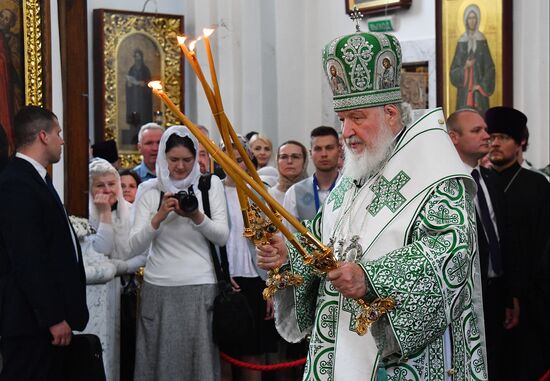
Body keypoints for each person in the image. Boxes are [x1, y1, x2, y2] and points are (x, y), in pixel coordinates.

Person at [257, 31, 487, 380]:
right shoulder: (352, 180)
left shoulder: (437, 176)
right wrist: (288, 255)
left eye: (358, 117)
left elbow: (451, 253)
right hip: (337, 351)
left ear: (391, 114)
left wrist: (372, 279)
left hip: (402, 360)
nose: (346, 132)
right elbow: (321, 244)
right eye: (342, 119)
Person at [130, 125, 229, 381]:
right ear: (163, 157)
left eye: (187, 160)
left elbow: (222, 235)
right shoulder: (149, 190)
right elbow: (134, 245)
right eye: (174, 160)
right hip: (159, 287)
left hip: (200, 286)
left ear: (197, 157)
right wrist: (160, 216)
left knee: (201, 364)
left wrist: (196, 215)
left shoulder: (209, 185)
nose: (181, 167)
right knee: (157, 362)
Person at [0, 106, 89, 380]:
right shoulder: (16, 183)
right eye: (58, 133)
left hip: (42, 324)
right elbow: (29, 258)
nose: (62, 140)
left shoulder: (35, 178)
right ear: (42, 136)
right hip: (31, 324)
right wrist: (52, 317)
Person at [447, 108, 519, 380]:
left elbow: (500, 239)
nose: (487, 136)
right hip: (463, 299)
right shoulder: (446, 185)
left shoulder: (490, 180)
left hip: (496, 294)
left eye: (485, 130)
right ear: (453, 137)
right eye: (477, 131)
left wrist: (510, 293)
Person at [486, 106, 550, 380]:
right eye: (491, 137)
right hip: (491, 299)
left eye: (502, 137)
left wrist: (527, 294)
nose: (495, 143)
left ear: (520, 141)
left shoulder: (538, 186)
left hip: (531, 300)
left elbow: (544, 247)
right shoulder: (480, 183)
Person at [220, 138, 277, 381]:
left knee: (252, 353)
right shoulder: (212, 190)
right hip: (226, 278)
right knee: (223, 352)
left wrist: (271, 286)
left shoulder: (258, 193)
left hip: (255, 277)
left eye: (241, 159)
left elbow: (270, 240)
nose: (235, 164)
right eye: (229, 158)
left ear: (249, 161)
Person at [284, 126, 341, 232]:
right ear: (310, 153)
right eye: (318, 149)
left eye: (329, 148)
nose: (324, 154)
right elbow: (290, 237)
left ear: (339, 150)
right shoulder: (294, 193)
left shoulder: (351, 187)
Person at [450, 4, 495, 114]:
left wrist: (480, 86)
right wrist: (465, 67)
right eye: (469, 18)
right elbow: (453, 72)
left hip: (479, 95)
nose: (472, 21)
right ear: (465, 20)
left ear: (478, 19)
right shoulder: (461, 42)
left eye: (474, 17)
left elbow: (490, 69)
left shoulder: (482, 41)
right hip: (464, 95)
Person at [268, 140, 308, 205]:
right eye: (284, 157)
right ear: (277, 162)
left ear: (304, 162)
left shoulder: (314, 190)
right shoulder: (270, 194)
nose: (289, 161)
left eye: (295, 157)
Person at [126, 48, 153, 130]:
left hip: (143, 98)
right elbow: (128, 82)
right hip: (134, 97)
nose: (137, 59)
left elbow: (149, 83)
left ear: (141, 58)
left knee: (144, 114)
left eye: (138, 57)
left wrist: (144, 84)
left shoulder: (145, 70)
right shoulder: (131, 69)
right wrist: (129, 84)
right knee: (134, 114)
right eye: (135, 57)